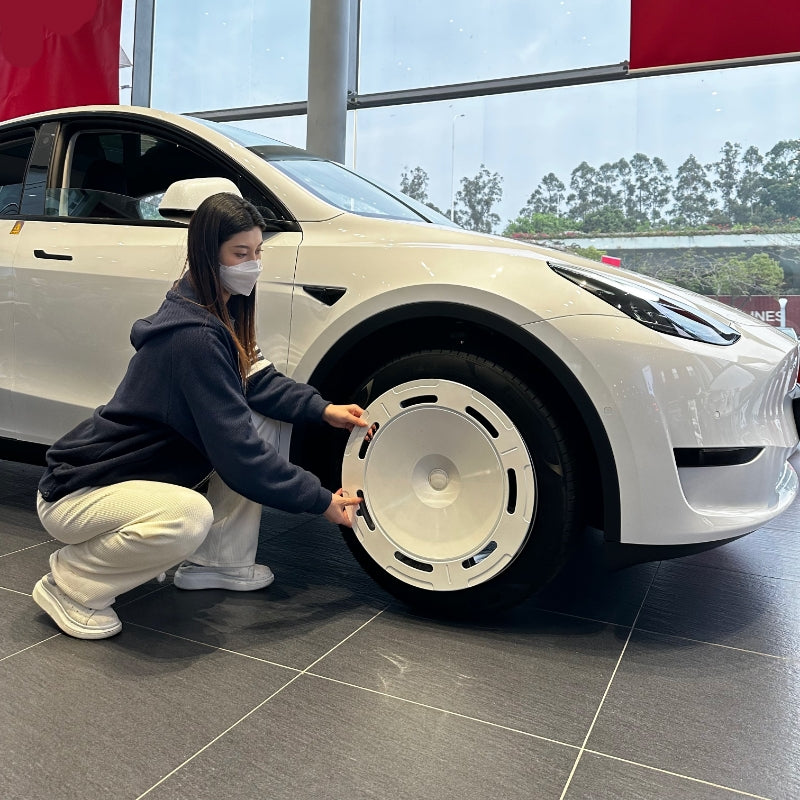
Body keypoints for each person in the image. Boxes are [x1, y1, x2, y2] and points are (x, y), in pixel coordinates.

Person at [32, 192, 366, 640]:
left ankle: (220, 561)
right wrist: (322, 501)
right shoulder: (195, 338)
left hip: (127, 479)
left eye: (257, 252)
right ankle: (71, 582)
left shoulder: (220, 310)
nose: (253, 264)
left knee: (266, 418)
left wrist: (322, 409)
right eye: (240, 254)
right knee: (188, 516)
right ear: (209, 255)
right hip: (79, 491)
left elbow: (257, 383)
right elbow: (239, 455)